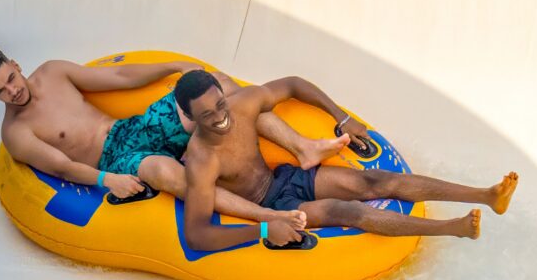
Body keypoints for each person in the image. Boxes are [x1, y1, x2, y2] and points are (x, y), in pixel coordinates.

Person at [169, 68, 515, 252]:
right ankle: (451, 229)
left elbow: (291, 83)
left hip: (286, 177)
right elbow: (198, 235)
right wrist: (263, 227)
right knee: (345, 211)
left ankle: (486, 195)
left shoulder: (242, 105)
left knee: (374, 181)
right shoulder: (202, 160)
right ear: (189, 116)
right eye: (207, 114)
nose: (220, 117)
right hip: (272, 205)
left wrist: (340, 116)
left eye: (220, 105)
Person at [0, 46, 343, 208]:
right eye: (0, 91)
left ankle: (303, 148)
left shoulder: (52, 72)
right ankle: (255, 207)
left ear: (15, 64)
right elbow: (62, 167)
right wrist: (105, 180)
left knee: (219, 89)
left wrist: (172, 67)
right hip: (115, 159)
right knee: (163, 170)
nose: (13, 90)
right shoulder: (17, 135)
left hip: (132, 128)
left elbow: (118, 77)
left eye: (12, 77)